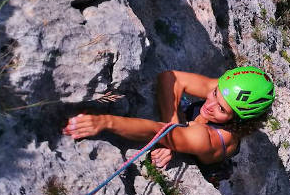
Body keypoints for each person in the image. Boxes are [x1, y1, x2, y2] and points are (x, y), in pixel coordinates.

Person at [62, 66, 275, 171]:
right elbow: (171, 77)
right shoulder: (226, 95)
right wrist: (175, 125)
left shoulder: (207, 139)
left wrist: (104, 122)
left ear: (238, 120)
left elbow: (157, 132)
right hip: (191, 128)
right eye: (215, 93)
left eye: (221, 109)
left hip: (204, 157)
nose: (209, 105)